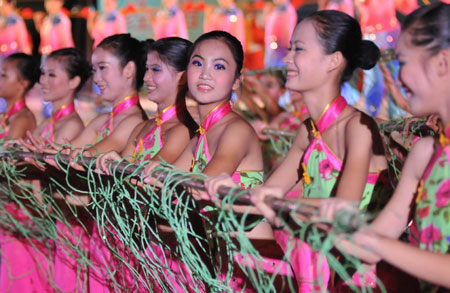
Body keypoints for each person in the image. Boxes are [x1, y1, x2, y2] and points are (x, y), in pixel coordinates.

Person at [206, 10, 390, 291]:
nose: (287, 59)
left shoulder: (358, 127)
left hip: (362, 279)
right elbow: (266, 194)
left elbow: (346, 208)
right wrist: (226, 191)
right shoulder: (308, 131)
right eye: (290, 48)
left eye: (298, 49)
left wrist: (280, 203)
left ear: (334, 61)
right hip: (321, 267)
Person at [319, 3, 450, 291]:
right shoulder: (426, 152)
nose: (398, 79)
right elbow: (377, 237)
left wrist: (377, 243)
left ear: (442, 62)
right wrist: (331, 225)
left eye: (402, 62)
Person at [144, 30, 274, 290]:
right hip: (220, 261)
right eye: (197, 63)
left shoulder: (235, 130)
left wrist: (158, 174)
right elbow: (152, 181)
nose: (205, 73)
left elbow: (200, 184)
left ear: (237, 80)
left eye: (219, 66)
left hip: (253, 266)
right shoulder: (199, 136)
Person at [0, 53, 38, 140]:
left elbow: (5, 152)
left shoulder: (22, 118)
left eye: (3, 75)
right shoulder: (7, 115)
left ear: (23, 83)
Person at [264, 0, 297, 68]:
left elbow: (288, 32)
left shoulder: (287, 10)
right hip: (273, 48)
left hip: (281, 51)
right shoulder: (275, 10)